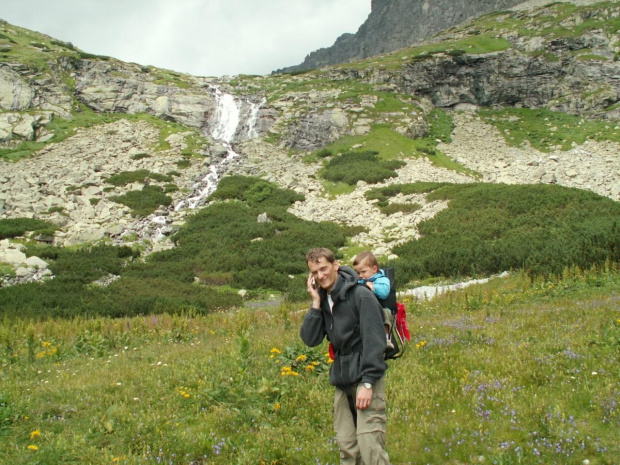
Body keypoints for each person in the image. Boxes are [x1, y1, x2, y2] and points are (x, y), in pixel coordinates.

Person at [300, 248, 390, 464]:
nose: (321, 275)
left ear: (335, 265)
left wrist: (368, 383)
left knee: (370, 448)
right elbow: (310, 339)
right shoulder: (323, 300)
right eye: (315, 272)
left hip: (366, 376)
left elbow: (375, 341)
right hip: (342, 379)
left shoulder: (360, 295)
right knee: (347, 448)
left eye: (324, 268)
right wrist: (315, 302)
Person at [353, 251, 394, 350]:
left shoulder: (382, 279)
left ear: (374, 269)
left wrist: (374, 287)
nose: (360, 275)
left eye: (363, 272)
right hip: (366, 310)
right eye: (358, 273)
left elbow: (384, 293)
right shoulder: (360, 281)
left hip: (382, 308)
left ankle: (386, 339)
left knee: (385, 314)